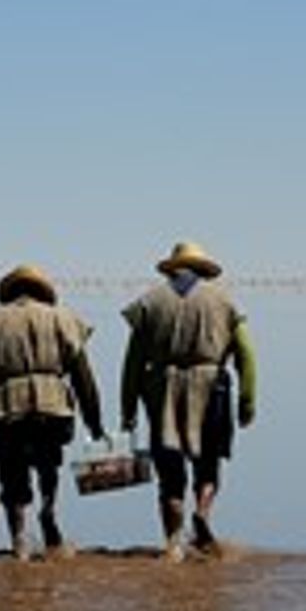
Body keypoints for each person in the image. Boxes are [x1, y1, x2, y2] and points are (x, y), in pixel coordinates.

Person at [119, 240, 257, 560]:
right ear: (203, 269)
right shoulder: (223, 301)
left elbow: (132, 363)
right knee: (208, 467)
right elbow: (247, 356)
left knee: (170, 477)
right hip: (212, 390)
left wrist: (128, 410)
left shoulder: (149, 303)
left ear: (173, 268)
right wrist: (247, 402)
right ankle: (203, 513)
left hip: (162, 392)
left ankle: (172, 545)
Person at [0, 263, 104, 561]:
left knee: (11, 474)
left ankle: (19, 540)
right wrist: (94, 420)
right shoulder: (64, 320)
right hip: (53, 406)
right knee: (48, 464)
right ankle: (48, 510)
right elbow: (83, 377)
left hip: (5, 407)